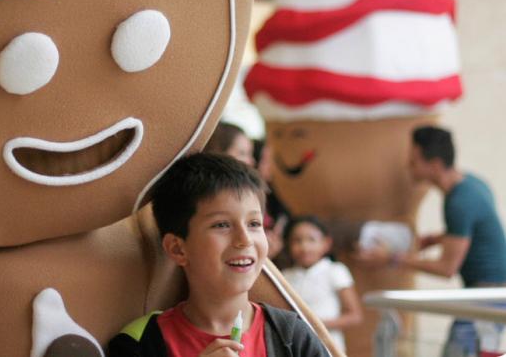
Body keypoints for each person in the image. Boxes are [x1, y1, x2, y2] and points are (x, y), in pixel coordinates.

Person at [108, 153, 327, 356]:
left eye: (254, 223)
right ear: (177, 248)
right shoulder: (140, 342)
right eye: (221, 225)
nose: (245, 239)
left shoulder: (291, 336)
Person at [358, 125, 506, 356]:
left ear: (435, 165)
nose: (408, 166)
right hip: (490, 289)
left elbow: (447, 268)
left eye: (414, 161)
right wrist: (435, 239)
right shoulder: (472, 184)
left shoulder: (459, 202)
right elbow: (474, 229)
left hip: (488, 292)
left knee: (457, 352)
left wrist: (392, 258)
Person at [282, 216, 362, 353]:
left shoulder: (335, 271)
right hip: (295, 348)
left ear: (326, 243)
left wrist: (315, 325)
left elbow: (354, 315)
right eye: (297, 240)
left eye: (311, 240)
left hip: (328, 347)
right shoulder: (284, 276)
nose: (304, 247)